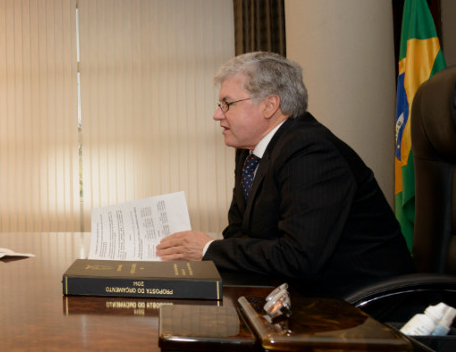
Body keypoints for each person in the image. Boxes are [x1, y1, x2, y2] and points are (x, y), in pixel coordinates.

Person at [156, 52, 414, 298]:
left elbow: (298, 257)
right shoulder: (250, 150)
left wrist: (207, 249)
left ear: (269, 105)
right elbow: (239, 232)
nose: (217, 114)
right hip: (290, 293)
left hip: (356, 307)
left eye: (227, 104)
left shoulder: (310, 151)